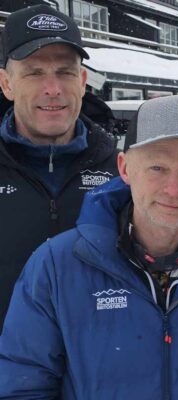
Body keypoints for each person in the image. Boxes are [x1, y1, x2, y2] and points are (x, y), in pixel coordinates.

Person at [0, 95, 178, 399]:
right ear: (124, 168)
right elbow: (23, 387)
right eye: (157, 168)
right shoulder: (57, 266)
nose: (174, 189)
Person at [0, 5, 118, 329]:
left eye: (64, 72)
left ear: (82, 81)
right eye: (34, 72)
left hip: (100, 371)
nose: (53, 89)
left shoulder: (125, 171)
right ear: (7, 84)